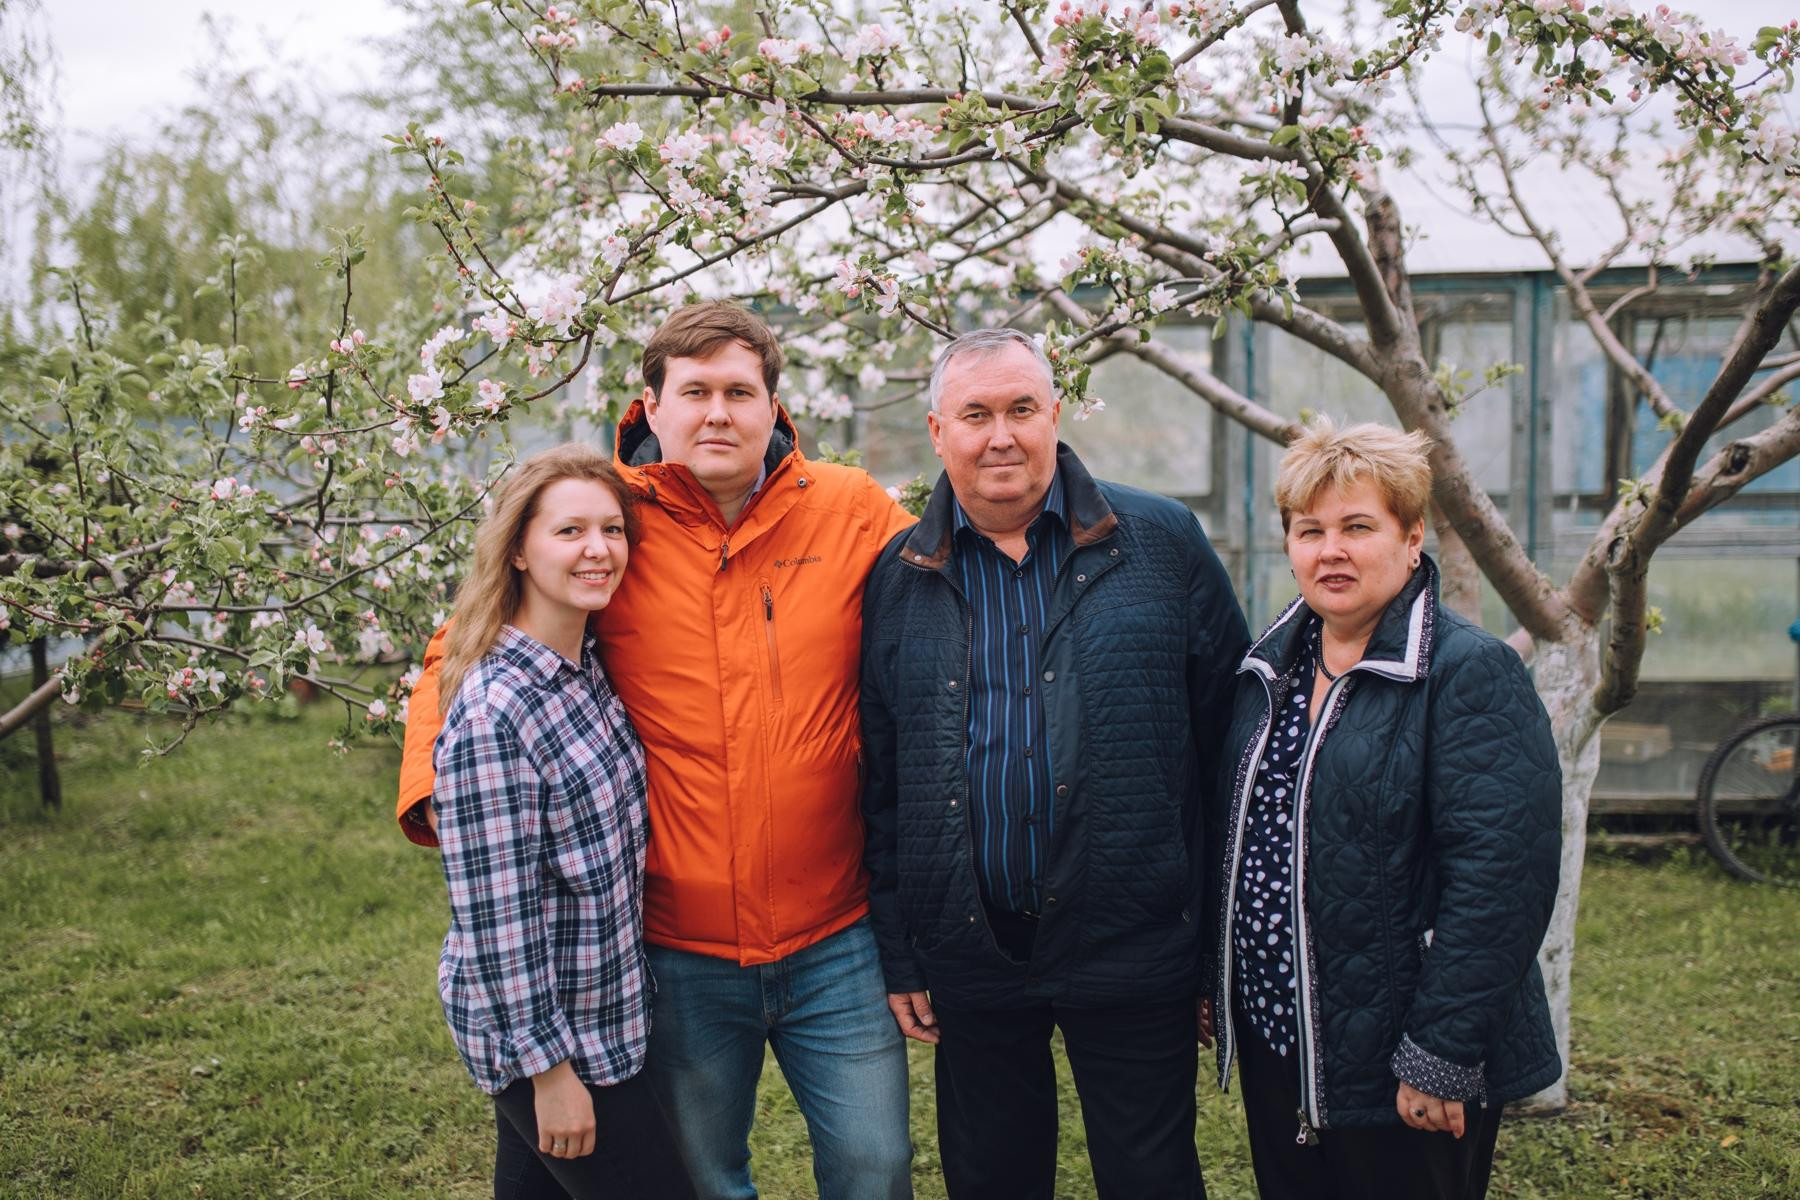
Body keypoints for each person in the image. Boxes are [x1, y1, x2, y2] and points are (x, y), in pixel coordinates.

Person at [399, 302, 918, 1200]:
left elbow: (945, 593)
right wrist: (435, 790)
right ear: (653, 406)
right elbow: (463, 646)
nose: (718, 413)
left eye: (739, 392)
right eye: (695, 392)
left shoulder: (849, 508)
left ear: (774, 407)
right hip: (678, 946)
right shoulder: (609, 521)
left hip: (834, 931)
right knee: (705, 1177)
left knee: (877, 1166)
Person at [859, 327, 1249, 1199]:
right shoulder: (898, 575)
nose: (1001, 436)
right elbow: (882, 780)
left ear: (1055, 415)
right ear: (938, 431)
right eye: (976, 415)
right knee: (993, 1178)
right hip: (972, 947)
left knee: (1151, 1177)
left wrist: (1210, 947)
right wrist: (902, 952)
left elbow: (1229, 742)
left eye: (1021, 409)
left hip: (1135, 940)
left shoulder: (1160, 542)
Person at [1210, 418, 1562, 1200]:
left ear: (1411, 538)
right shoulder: (1268, 670)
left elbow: (1502, 880)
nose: (1330, 550)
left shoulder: (1469, 673)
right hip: (1284, 1041)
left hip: (1401, 1058)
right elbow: (1244, 844)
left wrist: (1439, 1053)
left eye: (1358, 527)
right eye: (1310, 531)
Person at [430, 443, 695, 1199]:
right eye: (570, 531)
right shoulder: (496, 713)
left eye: (612, 530)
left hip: (607, 1012)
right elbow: (497, 916)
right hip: (554, 1043)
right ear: (518, 549)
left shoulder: (585, 670)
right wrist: (549, 1074)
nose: (598, 550)